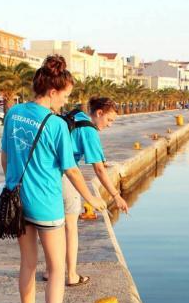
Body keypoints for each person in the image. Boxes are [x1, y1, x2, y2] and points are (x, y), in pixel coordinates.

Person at [1, 55, 105, 303]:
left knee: (28, 265)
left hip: (17, 201)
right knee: (57, 269)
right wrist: (90, 197)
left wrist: (12, 185)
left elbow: (5, 158)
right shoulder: (57, 124)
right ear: (52, 92)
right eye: (66, 95)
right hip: (46, 204)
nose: (66, 101)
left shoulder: (14, 113)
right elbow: (71, 170)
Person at [43, 97, 128, 286]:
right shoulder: (89, 131)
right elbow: (99, 169)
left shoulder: (73, 115)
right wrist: (116, 195)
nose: (110, 125)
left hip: (46, 173)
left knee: (53, 225)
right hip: (64, 174)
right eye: (109, 120)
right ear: (99, 113)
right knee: (70, 226)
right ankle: (71, 275)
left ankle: (50, 271)